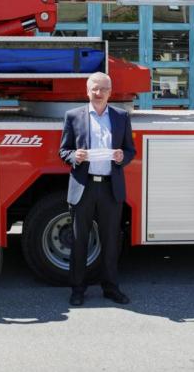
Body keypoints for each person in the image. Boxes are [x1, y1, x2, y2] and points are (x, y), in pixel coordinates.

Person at [59, 72, 136, 306]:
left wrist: (123, 157)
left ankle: (111, 288)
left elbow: (131, 150)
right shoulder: (73, 116)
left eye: (104, 89)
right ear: (87, 91)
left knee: (111, 241)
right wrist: (75, 156)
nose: (99, 93)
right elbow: (63, 151)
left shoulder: (121, 117)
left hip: (110, 188)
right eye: (95, 88)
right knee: (80, 241)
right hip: (84, 186)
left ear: (110, 92)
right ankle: (77, 289)